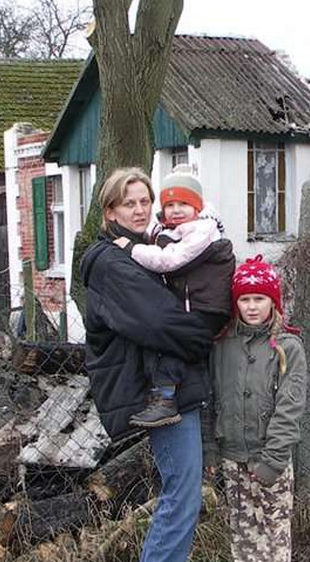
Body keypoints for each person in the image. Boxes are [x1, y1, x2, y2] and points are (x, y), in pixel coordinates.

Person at [80, 167, 225, 562]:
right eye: (130, 203)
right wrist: (204, 335)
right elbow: (160, 322)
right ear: (110, 212)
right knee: (182, 495)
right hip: (159, 395)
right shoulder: (113, 264)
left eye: (146, 201)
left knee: (184, 493)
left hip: (174, 387)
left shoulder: (151, 250)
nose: (141, 210)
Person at [114, 164, 235, 428]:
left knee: (173, 342)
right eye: (170, 205)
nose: (176, 210)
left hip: (208, 307)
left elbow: (170, 261)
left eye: (184, 203)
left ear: (197, 207)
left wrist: (131, 249)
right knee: (166, 338)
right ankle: (165, 396)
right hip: (193, 303)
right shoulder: (170, 230)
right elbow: (156, 238)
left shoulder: (202, 231)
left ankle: (166, 400)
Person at [205, 255, 307, 562]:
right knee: (243, 539)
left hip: (269, 458)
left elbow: (290, 407)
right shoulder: (221, 345)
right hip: (232, 458)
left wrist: (273, 460)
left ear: (272, 301)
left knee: (273, 540)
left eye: (259, 299)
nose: (251, 307)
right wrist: (211, 450)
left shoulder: (287, 347)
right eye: (245, 299)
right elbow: (209, 400)